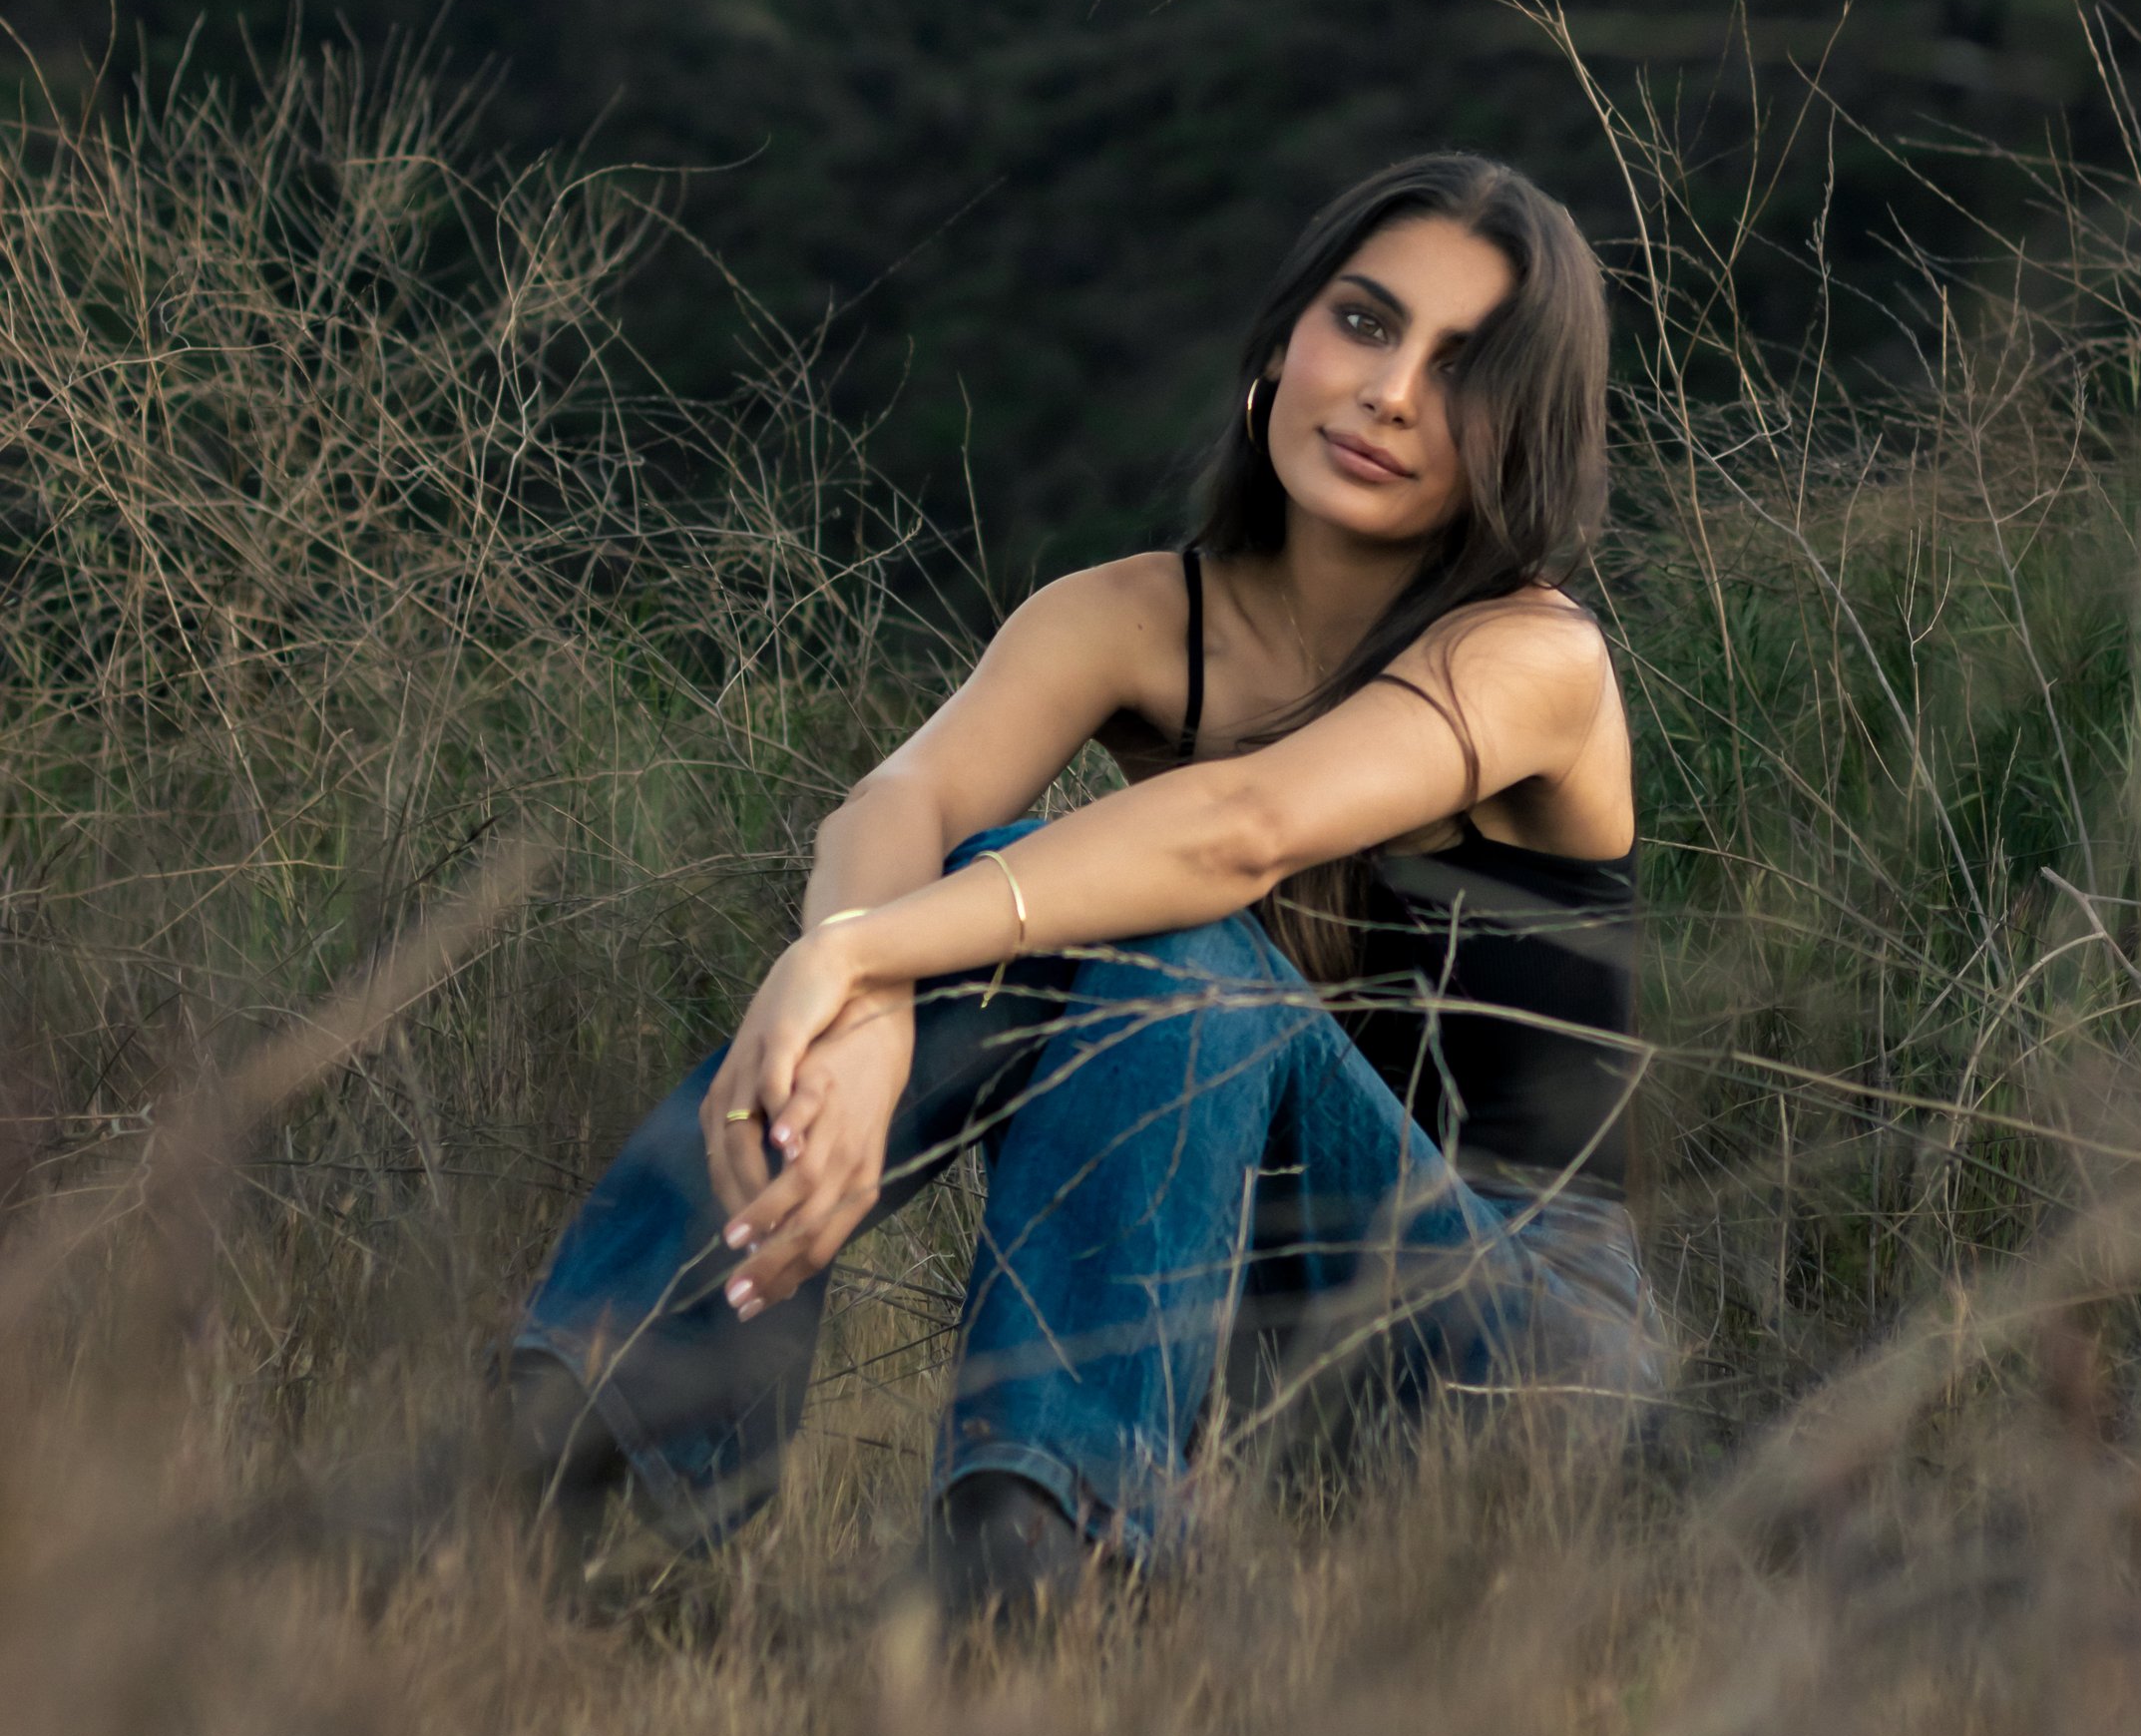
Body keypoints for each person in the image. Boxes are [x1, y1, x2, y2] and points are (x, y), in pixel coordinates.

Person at [509, 153, 1667, 1620]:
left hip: (1511, 1349)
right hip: (1230, 1314)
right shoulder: (1132, 617)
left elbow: (1239, 826)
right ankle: (571, 1444)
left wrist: (855, 954)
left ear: (1530, 434)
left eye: (1463, 368)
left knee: (1157, 911)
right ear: (1281, 342)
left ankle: (1029, 1540)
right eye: (1366, 325)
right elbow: (899, 798)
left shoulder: (1534, 659)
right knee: (1034, 896)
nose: (1389, 392)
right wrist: (860, 997)